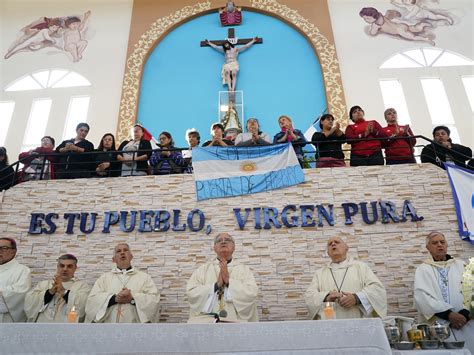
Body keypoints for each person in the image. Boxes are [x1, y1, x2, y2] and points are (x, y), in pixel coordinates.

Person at [414, 232, 473, 351]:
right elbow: (422, 297)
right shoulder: (423, 270)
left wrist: (465, 314)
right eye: (435, 243)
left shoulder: (461, 265)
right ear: (428, 248)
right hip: (439, 325)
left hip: (466, 323)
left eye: (442, 242)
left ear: (447, 245)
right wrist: (449, 314)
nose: (439, 245)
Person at [305, 236, 387, 320]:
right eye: (330, 244)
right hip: (330, 324)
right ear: (328, 252)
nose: (333, 244)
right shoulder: (319, 273)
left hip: (358, 323)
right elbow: (309, 296)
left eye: (337, 242)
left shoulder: (361, 267)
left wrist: (357, 298)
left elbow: (377, 289)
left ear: (346, 248)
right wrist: (326, 297)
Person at [186, 233, 259, 322]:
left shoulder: (244, 270)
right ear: (214, 248)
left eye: (227, 240)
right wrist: (216, 286)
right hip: (208, 323)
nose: (223, 242)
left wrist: (229, 282)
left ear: (234, 247)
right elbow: (191, 293)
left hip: (236, 321)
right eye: (219, 241)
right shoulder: (203, 270)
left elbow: (252, 293)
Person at [85, 243, 160, 323]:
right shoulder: (104, 278)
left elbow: (154, 300)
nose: (122, 253)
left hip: (135, 328)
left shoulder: (144, 278)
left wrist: (132, 298)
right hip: (108, 327)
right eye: (118, 251)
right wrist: (114, 299)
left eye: (125, 250)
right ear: (114, 259)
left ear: (131, 257)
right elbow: (92, 300)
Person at [24, 254, 91, 323]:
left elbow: (84, 306)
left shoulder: (82, 286)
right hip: (43, 325)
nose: (65, 269)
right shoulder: (44, 284)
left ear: (75, 268)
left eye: (69, 266)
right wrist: (49, 292)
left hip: (67, 328)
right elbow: (30, 302)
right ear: (57, 267)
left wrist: (64, 292)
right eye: (62, 266)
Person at [359, 7, 435, 46]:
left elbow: (372, 33)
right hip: (401, 26)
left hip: (399, 30)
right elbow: (389, 14)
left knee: (413, 37)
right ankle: (421, 25)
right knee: (413, 28)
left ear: (374, 16)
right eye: (364, 19)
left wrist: (374, 28)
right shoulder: (381, 16)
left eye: (368, 18)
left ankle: (426, 39)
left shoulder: (376, 24)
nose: (366, 20)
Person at [0, 237, 31, 322]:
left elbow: (20, 293)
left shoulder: (22, 270)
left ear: (14, 251)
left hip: (6, 319)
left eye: (4, 248)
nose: (0, 251)